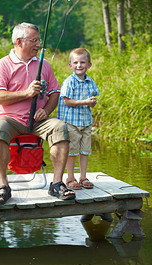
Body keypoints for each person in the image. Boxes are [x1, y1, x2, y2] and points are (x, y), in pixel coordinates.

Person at [0, 22, 75, 204]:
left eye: (39, 40)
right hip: (11, 120)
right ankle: (2, 185)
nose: (38, 45)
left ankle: (57, 183)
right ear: (19, 42)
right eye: (33, 40)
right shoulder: (2, 65)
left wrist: (46, 110)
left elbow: (54, 93)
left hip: (39, 121)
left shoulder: (44, 65)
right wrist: (27, 93)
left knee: (60, 128)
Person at [57, 48, 99, 190]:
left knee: (85, 151)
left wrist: (92, 103)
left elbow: (92, 101)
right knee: (72, 151)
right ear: (70, 65)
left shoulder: (90, 82)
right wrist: (86, 102)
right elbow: (67, 102)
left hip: (85, 122)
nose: (79, 65)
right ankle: (70, 178)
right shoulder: (69, 82)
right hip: (71, 122)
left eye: (82, 62)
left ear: (89, 65)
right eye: (75, 62)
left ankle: (83, 177)